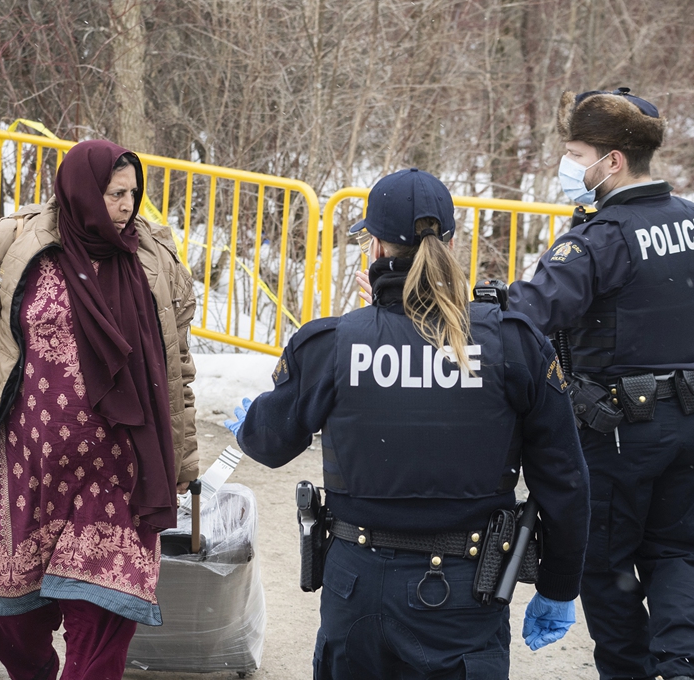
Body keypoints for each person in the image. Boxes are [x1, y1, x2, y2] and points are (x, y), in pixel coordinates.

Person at [230, 168, 590, 680]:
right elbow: (566, 481)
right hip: (466, 591)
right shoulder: (512, 342)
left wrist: (255, 419)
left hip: (358, 587)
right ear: (450, 242)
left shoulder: (333, 343)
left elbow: (269, 442)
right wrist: (558, 587)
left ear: (374, 248)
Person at [0, 139, 199, 680]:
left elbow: (175, 367)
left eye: (134, 194)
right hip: (28, 471)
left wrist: (181, 461)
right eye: (115, 193)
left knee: (103, 623)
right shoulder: (18, 242)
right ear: (82, 188)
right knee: (12, 623)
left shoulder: (153, 258)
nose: (126, 206)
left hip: (119, 477)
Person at [508, 89, 694, 680]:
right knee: (676, 556)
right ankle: (686, 667)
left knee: (606, 569)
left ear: (613, 161)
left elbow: (528, 317)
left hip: (620, 437)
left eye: (575, 153)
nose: (569, 166)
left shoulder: (602, 238)